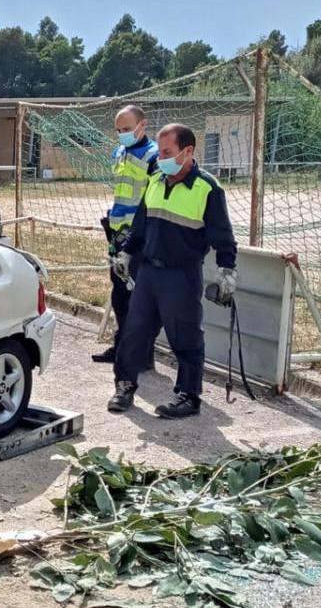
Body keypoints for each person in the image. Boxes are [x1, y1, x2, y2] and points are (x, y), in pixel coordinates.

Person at [108, 123, 238, 419]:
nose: (160, 157)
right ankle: (125, 385)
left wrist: (227, 270)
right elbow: (140, 225)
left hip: (181, 275)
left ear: (187, 151)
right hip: (149, 273)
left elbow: (223, 237)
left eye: (167, 152)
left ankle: (188, 396)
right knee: (134, 332)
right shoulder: (155, 180)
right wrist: (126, 252)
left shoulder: (207, 189)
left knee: (186, 336)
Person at [93, 105, 158, 364]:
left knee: (138, 297)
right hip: (118, 234)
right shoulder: (119, 152)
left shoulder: (153, 155)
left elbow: (149, 200)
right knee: (119, 294)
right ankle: (122, 347)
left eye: (127, 129)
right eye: (119, 130)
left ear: (143, 125)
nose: (122, 134)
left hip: (140, 236)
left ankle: (141, 354)